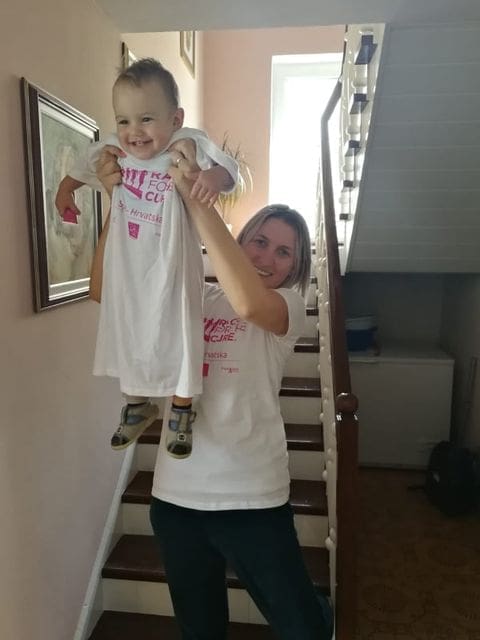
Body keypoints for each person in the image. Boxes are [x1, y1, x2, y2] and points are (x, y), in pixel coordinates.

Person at [92, 143, 334, 640]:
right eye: (259, 241)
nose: (267, 257)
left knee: (302, 627)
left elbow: (248, 305)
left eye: (283, 251)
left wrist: (196, 196)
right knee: (200, 630)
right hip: (175, 499)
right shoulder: (193, 297)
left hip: (252, 499)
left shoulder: (289, 307)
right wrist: (121, 202)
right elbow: (105, 290)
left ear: (296, 266)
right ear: (240, 241)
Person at [56, 58, 238, 456]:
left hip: (174, 263)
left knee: (181, 331)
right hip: (128, 264)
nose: (133, 132)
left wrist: (210, 177)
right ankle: (137, 405)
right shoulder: (113, 150)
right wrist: (65, 190)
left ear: (176, 119)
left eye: (146, 119)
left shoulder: (185, 144)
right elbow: (83, 166)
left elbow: (230, 170)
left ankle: (181, 410)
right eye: (124, 120)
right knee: (128, 329)